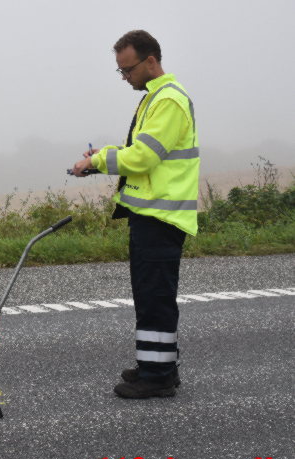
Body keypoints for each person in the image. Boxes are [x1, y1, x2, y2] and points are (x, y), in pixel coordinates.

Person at [71, 30, 200, 398]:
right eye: (120, 72)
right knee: (150, 295)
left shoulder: (169, 101)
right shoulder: (153, 98)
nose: (125, 77)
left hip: (162, 216)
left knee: (155, 296)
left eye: (127, 70)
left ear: (150, 61)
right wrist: (100, 161)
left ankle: (157, 380)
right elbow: (136, 150)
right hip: (151, 214)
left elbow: (143, 157)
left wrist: (97, 160)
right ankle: (157, 366)